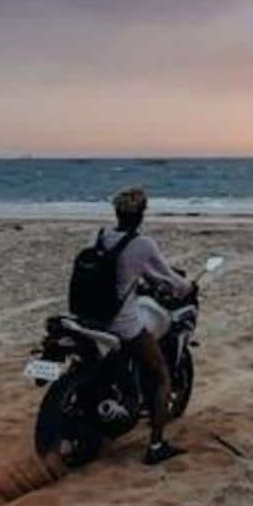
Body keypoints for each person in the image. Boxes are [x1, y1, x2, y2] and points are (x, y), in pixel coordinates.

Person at [90, 187, 192, 465]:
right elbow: (167, 278)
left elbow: (123, 273)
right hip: (121, 323)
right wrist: (186, 286)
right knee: (160, 373)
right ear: (141, 215)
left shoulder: (101, 235)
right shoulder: (142, 244)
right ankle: (157, 445)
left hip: (92, 317)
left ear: (117, 213)